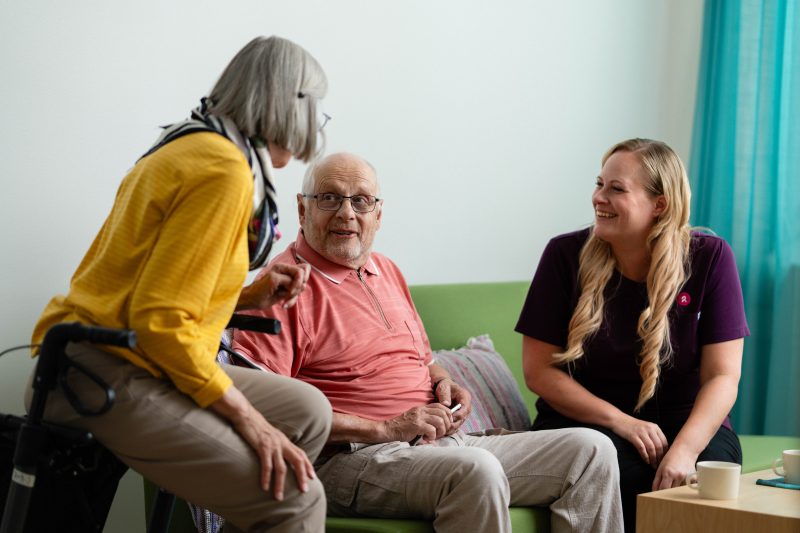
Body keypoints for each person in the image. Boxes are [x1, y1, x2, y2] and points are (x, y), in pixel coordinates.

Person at [28, 36, 332, 532]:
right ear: (289, 103)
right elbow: (162, 323)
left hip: (131, 356)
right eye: (316, 106)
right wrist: (249, 422)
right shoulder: (224, 170)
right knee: (298, 499)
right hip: (104, 369)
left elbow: (161, 292)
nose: (316, 123)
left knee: (308, 412)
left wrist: (253, 294)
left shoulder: (192, 141)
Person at [231, 152, 624, 533]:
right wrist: (385, 428)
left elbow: (423, 359)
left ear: (378, 214)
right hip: (351, 460)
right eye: (330, 198)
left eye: (361, 201)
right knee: (476, 471)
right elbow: (267, 411)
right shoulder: (281, 288)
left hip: (440, 444)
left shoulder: (386, 270)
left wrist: (445, 383)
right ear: (302, 209)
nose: (347, 213)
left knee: (593, 451)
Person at [516, 138, 749, 532]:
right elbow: (539, 372)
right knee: (623, 472)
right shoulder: (563, 255)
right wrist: (622, 423)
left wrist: (684, 452)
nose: (598, 198)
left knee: (705, 478)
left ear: (659, 204)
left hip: (686, 423)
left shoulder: (710, 257)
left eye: (616, 188)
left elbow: (723, 376)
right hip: (586, 427)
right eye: (599, 183)